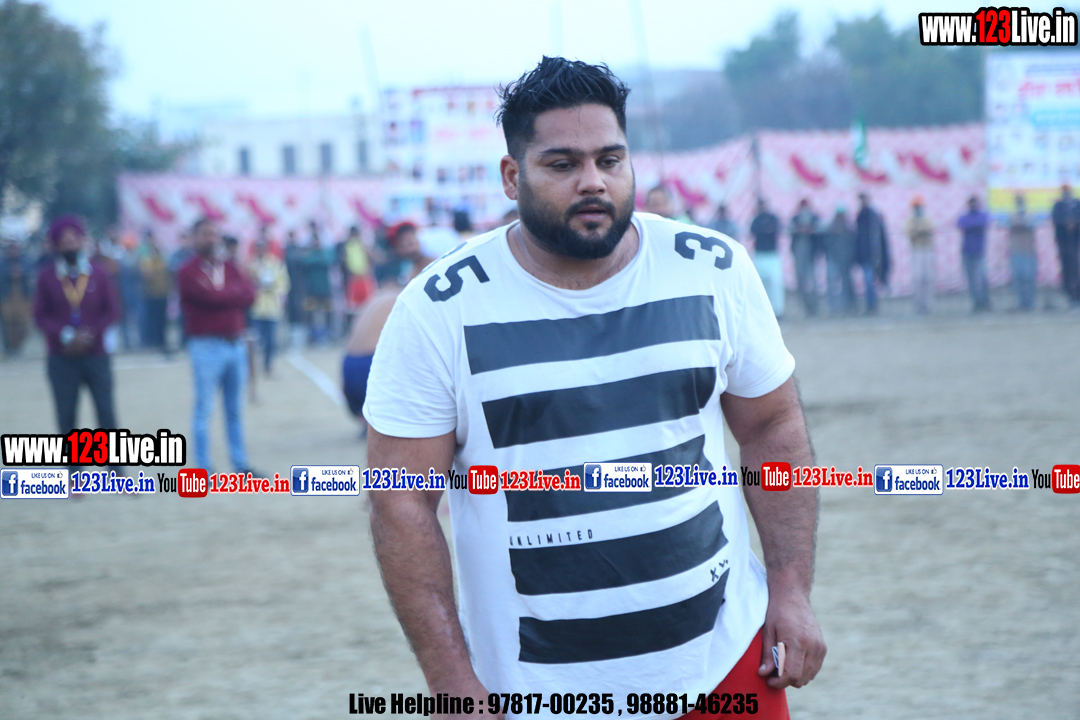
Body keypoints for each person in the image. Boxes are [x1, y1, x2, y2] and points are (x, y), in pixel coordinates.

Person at [364, 57, 825, 718]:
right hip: (537, 689)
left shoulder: (713, 269)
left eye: (611, 160)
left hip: (724, 667)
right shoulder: (438, 310)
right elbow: (401, 500)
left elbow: (772, 427)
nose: (593, 181)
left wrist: (791, 588)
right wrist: (452, 683)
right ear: (511, 176)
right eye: (562, 164)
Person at [177, 218, 257, 475]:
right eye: (204, 234)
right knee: (204, 409)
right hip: (206, 346)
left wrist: (223, 294)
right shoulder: (187, 271)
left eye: (213, 234)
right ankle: (203, 467)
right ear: (194, 238)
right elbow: (208, 298)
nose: (210, 239)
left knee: (234, 410)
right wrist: (232, 294)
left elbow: (250, 294)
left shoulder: (230, 267)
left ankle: (240, 463)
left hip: (235, 345)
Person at [33, 216, 120, 438]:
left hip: (96, 353)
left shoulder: (98, 273)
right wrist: (65, 335)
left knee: (106, 414)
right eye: (64, 241)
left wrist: (91, 334)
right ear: (55, 245)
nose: (70, 245)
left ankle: (113, 460)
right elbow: (40, 315)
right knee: (66, 417)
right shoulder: (46, 276)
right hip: (61, 356)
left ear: (82, 241)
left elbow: (112, 310)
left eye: (74, 240)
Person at [342, 229, 430, 437]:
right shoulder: (408, 298)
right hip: (371, 368)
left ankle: (366, 421)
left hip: (347, 367)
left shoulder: (381, 295)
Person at [248, 237, 290, 375]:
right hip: (256, 309)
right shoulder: (250, 265)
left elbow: (284, 284)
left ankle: (268, 366)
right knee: (254, 341)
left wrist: (273, 287)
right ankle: (252, 369)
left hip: (272, 308)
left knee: (271, 341)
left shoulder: (275, 264)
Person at [855, 193, 890, 315]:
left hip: (873, 255)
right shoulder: (860, 216)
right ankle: (871, 306)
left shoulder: (873, 216)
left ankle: (872, 306)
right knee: (868, 282)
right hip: (864, 255)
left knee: (870, 281)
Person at [750, 197, 784, 318]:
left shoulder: (773, 218)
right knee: (760, 285)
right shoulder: (756, 219)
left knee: (775, 284)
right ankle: (762, 311)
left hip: (772, 255)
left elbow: (776, 230)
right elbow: (753, 232)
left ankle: (778, 311)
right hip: (760, 255)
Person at [956, 196, 991, 312]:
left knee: (982, 278)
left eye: (974, 203)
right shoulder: (965, 217)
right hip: (967, 252)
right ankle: (977, 303)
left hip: (979, 252)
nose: (973, 205)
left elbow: (981, 222)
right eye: (971, 203)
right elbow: (960, 223)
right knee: (971, 280)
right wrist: (973, 225)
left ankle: (985, 302)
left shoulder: (982, 215)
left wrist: (971, 225)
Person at [139, 231, 172, 351]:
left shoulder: (163, 258)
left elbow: (168, 273)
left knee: (162, 319)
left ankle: (161, 341)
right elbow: (146, 274)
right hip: (150, 293)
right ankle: (152, 341)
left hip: (162, 292)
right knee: (152, 319)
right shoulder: (146, 258)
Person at [0, 240, 33, 356]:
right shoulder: (3, 263)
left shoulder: (25, 261)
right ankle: (9, 347)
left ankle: (19, 345)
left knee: (23, 324)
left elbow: (30, 272)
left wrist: (20, 273)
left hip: (23, 298)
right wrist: (10, 274)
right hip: (7, 298)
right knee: (8, 325)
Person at [788, 199, 821, 317]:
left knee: (813, 282)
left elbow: (820, 230)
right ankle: (804, 307)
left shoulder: (815, 218)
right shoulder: (795, 219)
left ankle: (815, 308)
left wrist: (810, 230)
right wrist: (799, 229)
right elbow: (789, 229)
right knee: (801, 282)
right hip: (799, 257)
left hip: (811, 257)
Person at [302, 227, 334, 345]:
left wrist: (317, 259)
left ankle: (328, 335)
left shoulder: (325, 253)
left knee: (328, 313)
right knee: (310, 313)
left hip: (325, 289)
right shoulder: (309, 253)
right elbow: (306, 262)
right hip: (312, 290)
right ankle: (312, 336)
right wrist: (317, 259)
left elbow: (329, 260)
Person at [1050, 184, 1080, 307]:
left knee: (1076, 269)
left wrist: (1075, 223)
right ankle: (1070, 296)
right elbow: (1055, 219)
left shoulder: (1077, 204)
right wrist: (1066, 224)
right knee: (1067, 269)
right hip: (1064, 244)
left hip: (1076, 242)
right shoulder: (1058, 206)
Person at [904, 196, 935, 315]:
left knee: (928, 279)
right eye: (916, 207)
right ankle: (919, 305)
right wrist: (920, 230)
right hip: (916, 251)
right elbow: (909, 231)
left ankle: (928, 305)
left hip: (927, 251)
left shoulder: (927, 219)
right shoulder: (910, 221)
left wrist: (918, 230)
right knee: (917, 279)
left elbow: (930, 229)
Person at [1007, 193, 1037, 312]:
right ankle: (1022, 303)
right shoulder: (1012, 216)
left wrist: (1021, 223)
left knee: (1028, 278)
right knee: (1018, 278)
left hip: (1029, 251)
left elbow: (1029, 224)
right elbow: (1012, 224)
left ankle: (1030, 303)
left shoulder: (1031, 215)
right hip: (1016, 251)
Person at [823, 206, 855, 315]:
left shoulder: (849, 229)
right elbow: (825, 242)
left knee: (846, 284)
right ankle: (834, 307)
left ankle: (847, 306)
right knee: (832, 283)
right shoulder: (830, 228)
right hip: (832, 259)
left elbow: (853, 245)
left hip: (845, 261)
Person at [283, 230, 306, 347]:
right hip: (289, 284)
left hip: (299, 285)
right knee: (291, 310)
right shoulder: (286, 250)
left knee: (300, 309)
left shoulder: (299, 249)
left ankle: (300, 337)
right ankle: (292, 337)